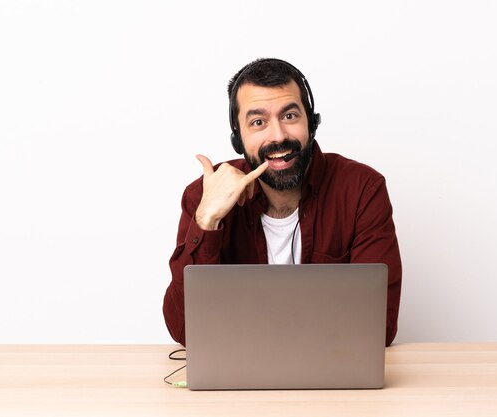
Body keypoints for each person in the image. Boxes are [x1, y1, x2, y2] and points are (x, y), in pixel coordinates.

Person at [163, 58, 402, 346]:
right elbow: (185, 331)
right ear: (237, 139)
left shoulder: (362, 189)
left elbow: (379, 327)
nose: (278, 136)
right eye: (258, 122)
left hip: (333, 375)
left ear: (311, 123)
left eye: (289, 116)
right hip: (240, 380)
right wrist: (207, 221)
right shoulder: (204, 196)